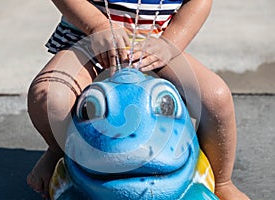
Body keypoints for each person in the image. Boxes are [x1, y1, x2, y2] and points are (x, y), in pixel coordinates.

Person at [26, 0, 249, 199]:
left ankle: (222, 180)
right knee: (49, 97)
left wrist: (170, 43)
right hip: (88, 42)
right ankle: (58, 150)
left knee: (215, 98)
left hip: (154, 46)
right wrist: (97, 27)